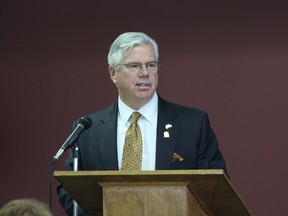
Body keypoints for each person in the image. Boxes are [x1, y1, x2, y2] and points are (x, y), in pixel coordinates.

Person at [57, 32, 227, 215]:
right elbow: (69, 192)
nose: (145, 73)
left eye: (151, 65)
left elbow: (215, 190)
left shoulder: (193, 124)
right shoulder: (87, 130)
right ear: (113, 73)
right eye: (134, 66)